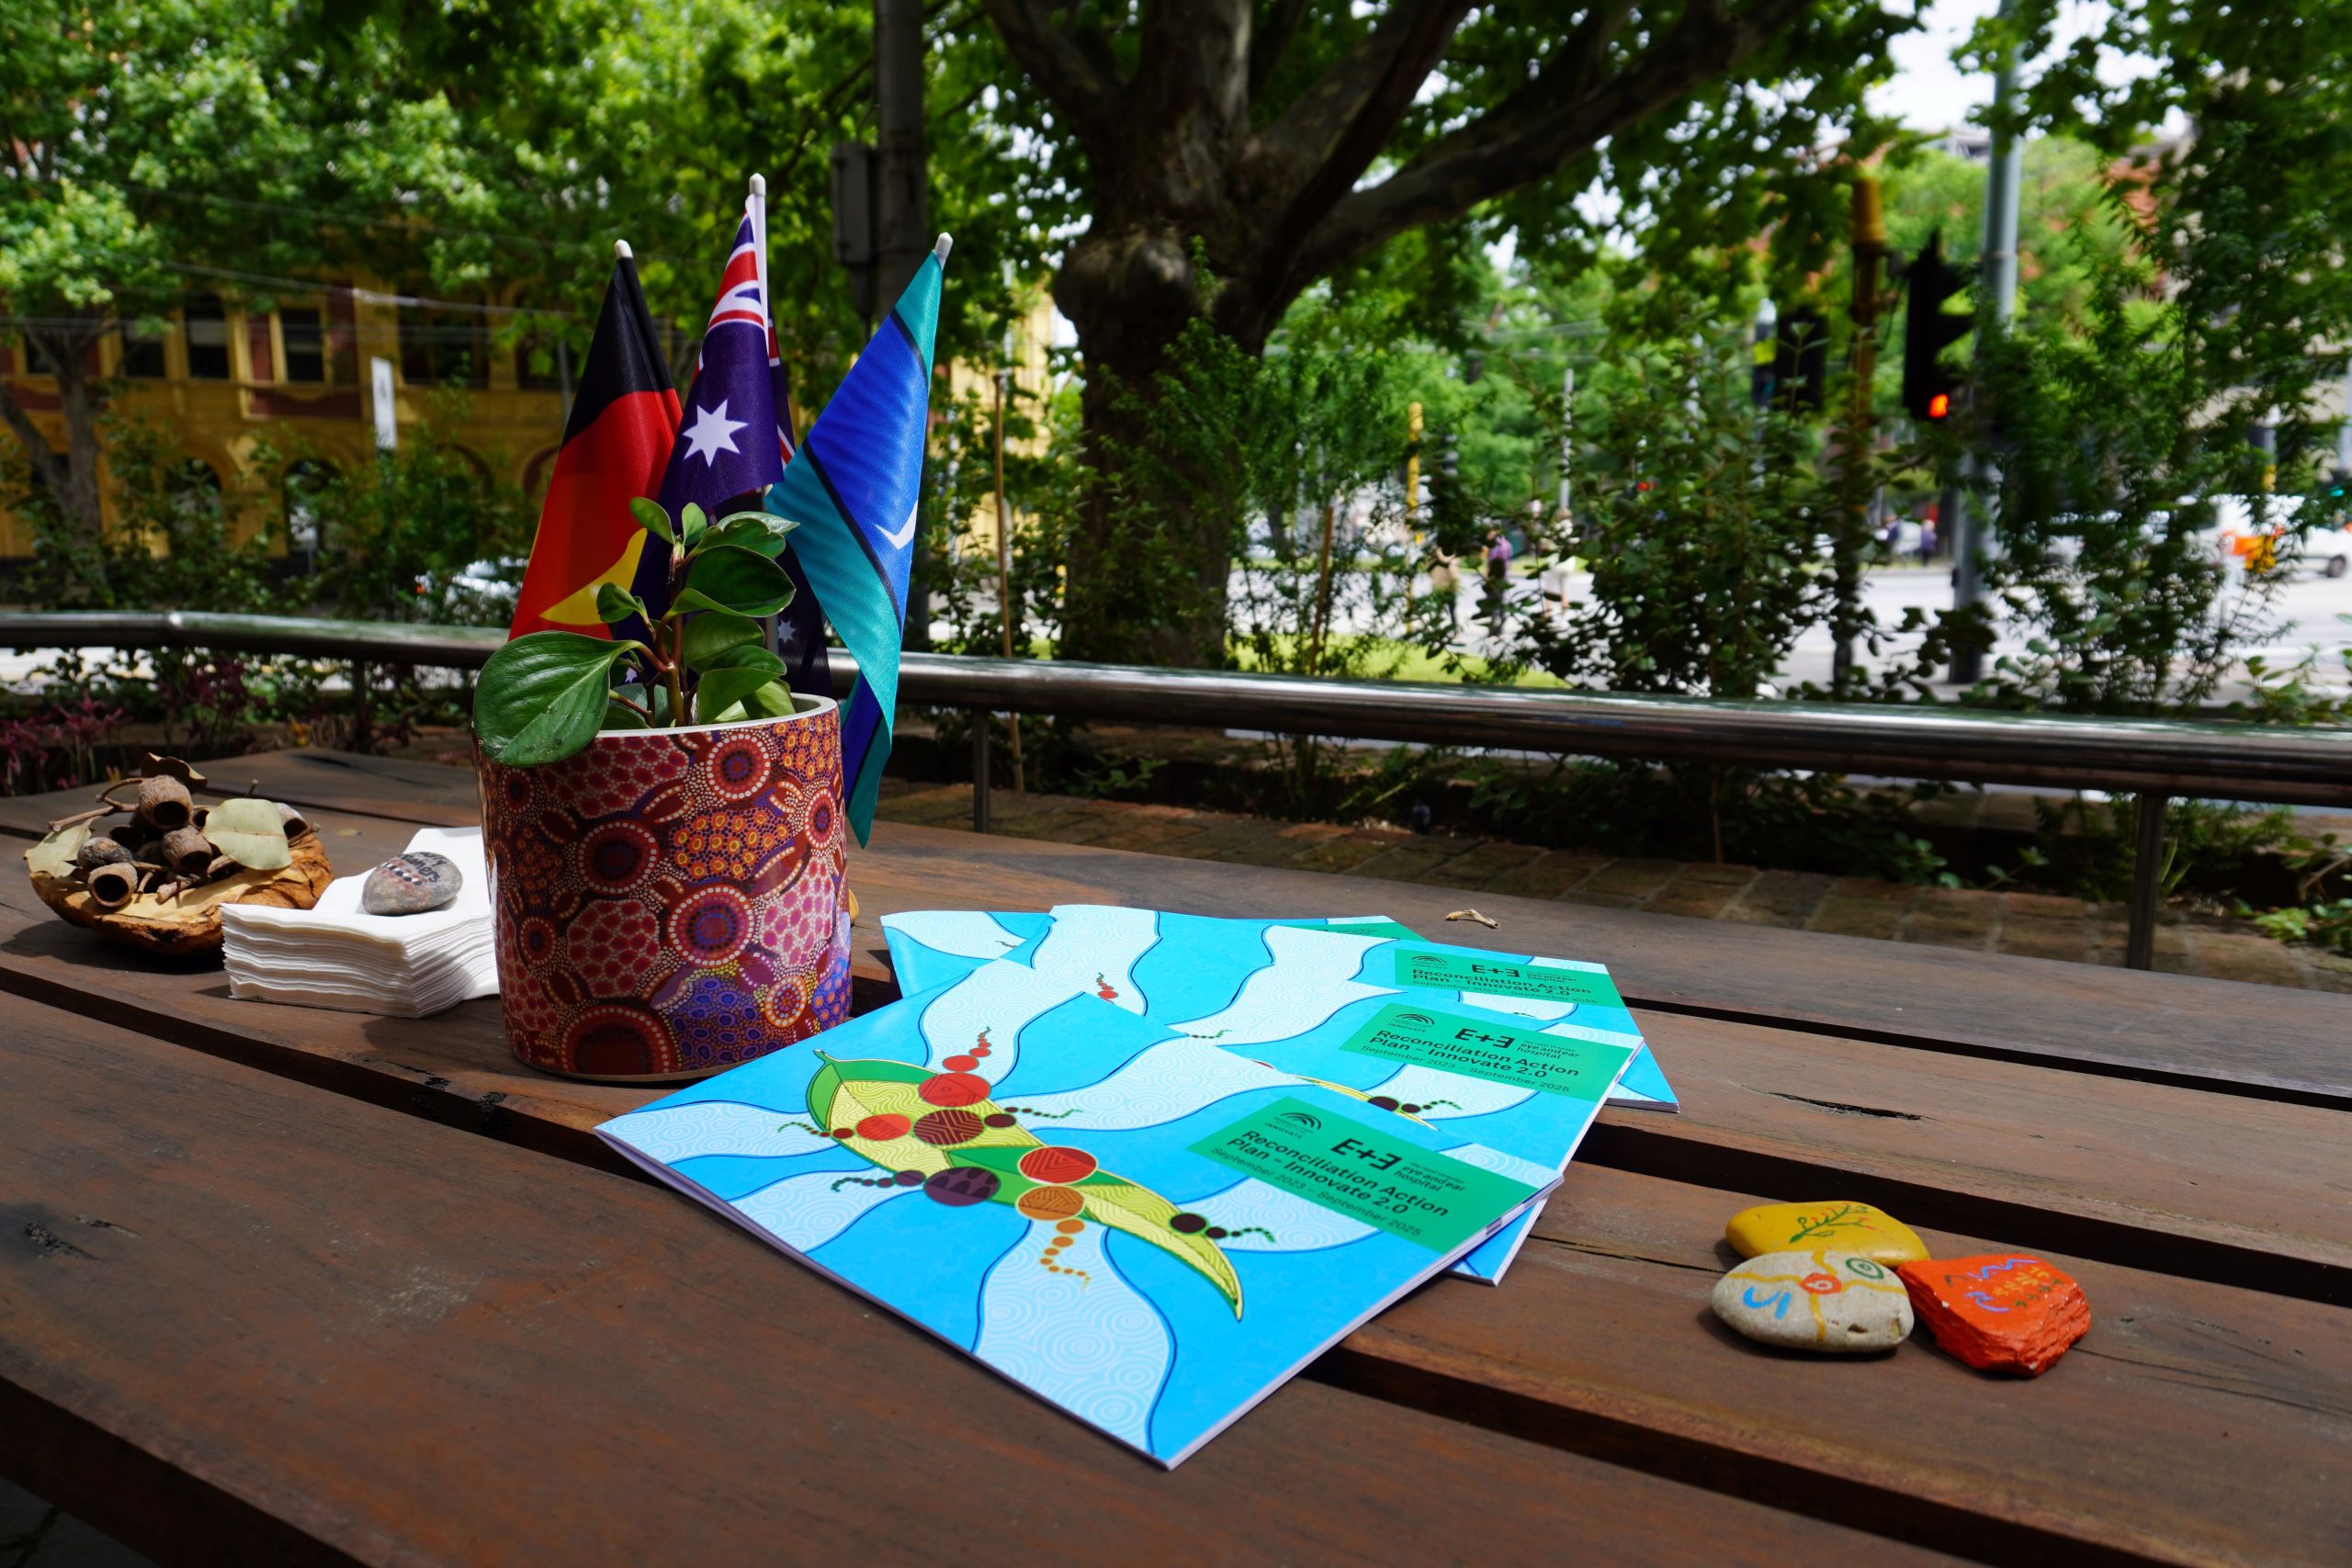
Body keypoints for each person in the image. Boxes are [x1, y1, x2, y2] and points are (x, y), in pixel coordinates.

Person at [1482, 528, 1513, 640]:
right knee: (1500, 603)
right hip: (1504, 578)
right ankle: (1499, 631)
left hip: (1495, 577)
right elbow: (1510, 562)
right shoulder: (1508, 544)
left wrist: (1486, 577)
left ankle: (1494, 630)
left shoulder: (1494, 546)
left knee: (1493, 603)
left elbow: (1491, 564)